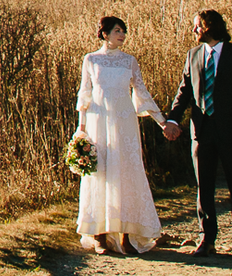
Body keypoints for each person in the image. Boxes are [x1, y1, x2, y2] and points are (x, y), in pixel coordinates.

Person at [73, 15, 177, 255]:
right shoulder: (90, 59)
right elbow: (84, 95)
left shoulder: (129, 61)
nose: (122, 35)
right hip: (99, 121)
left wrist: (162, 122)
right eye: (118, 30)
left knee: (126, 173)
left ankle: (126, 235)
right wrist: (81, 128)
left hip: (124, 121)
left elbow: (141, 92)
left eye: (124, 31)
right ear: (105, 33)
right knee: (101, 172)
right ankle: (99, 235)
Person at [163, 8, 232, 257]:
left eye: (197, 26)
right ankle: (207, 240)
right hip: (201, 132)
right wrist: (172, 120)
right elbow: (184, 93)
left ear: (209, 26)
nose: (193, 30)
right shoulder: (193, 55)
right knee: (204, 188)